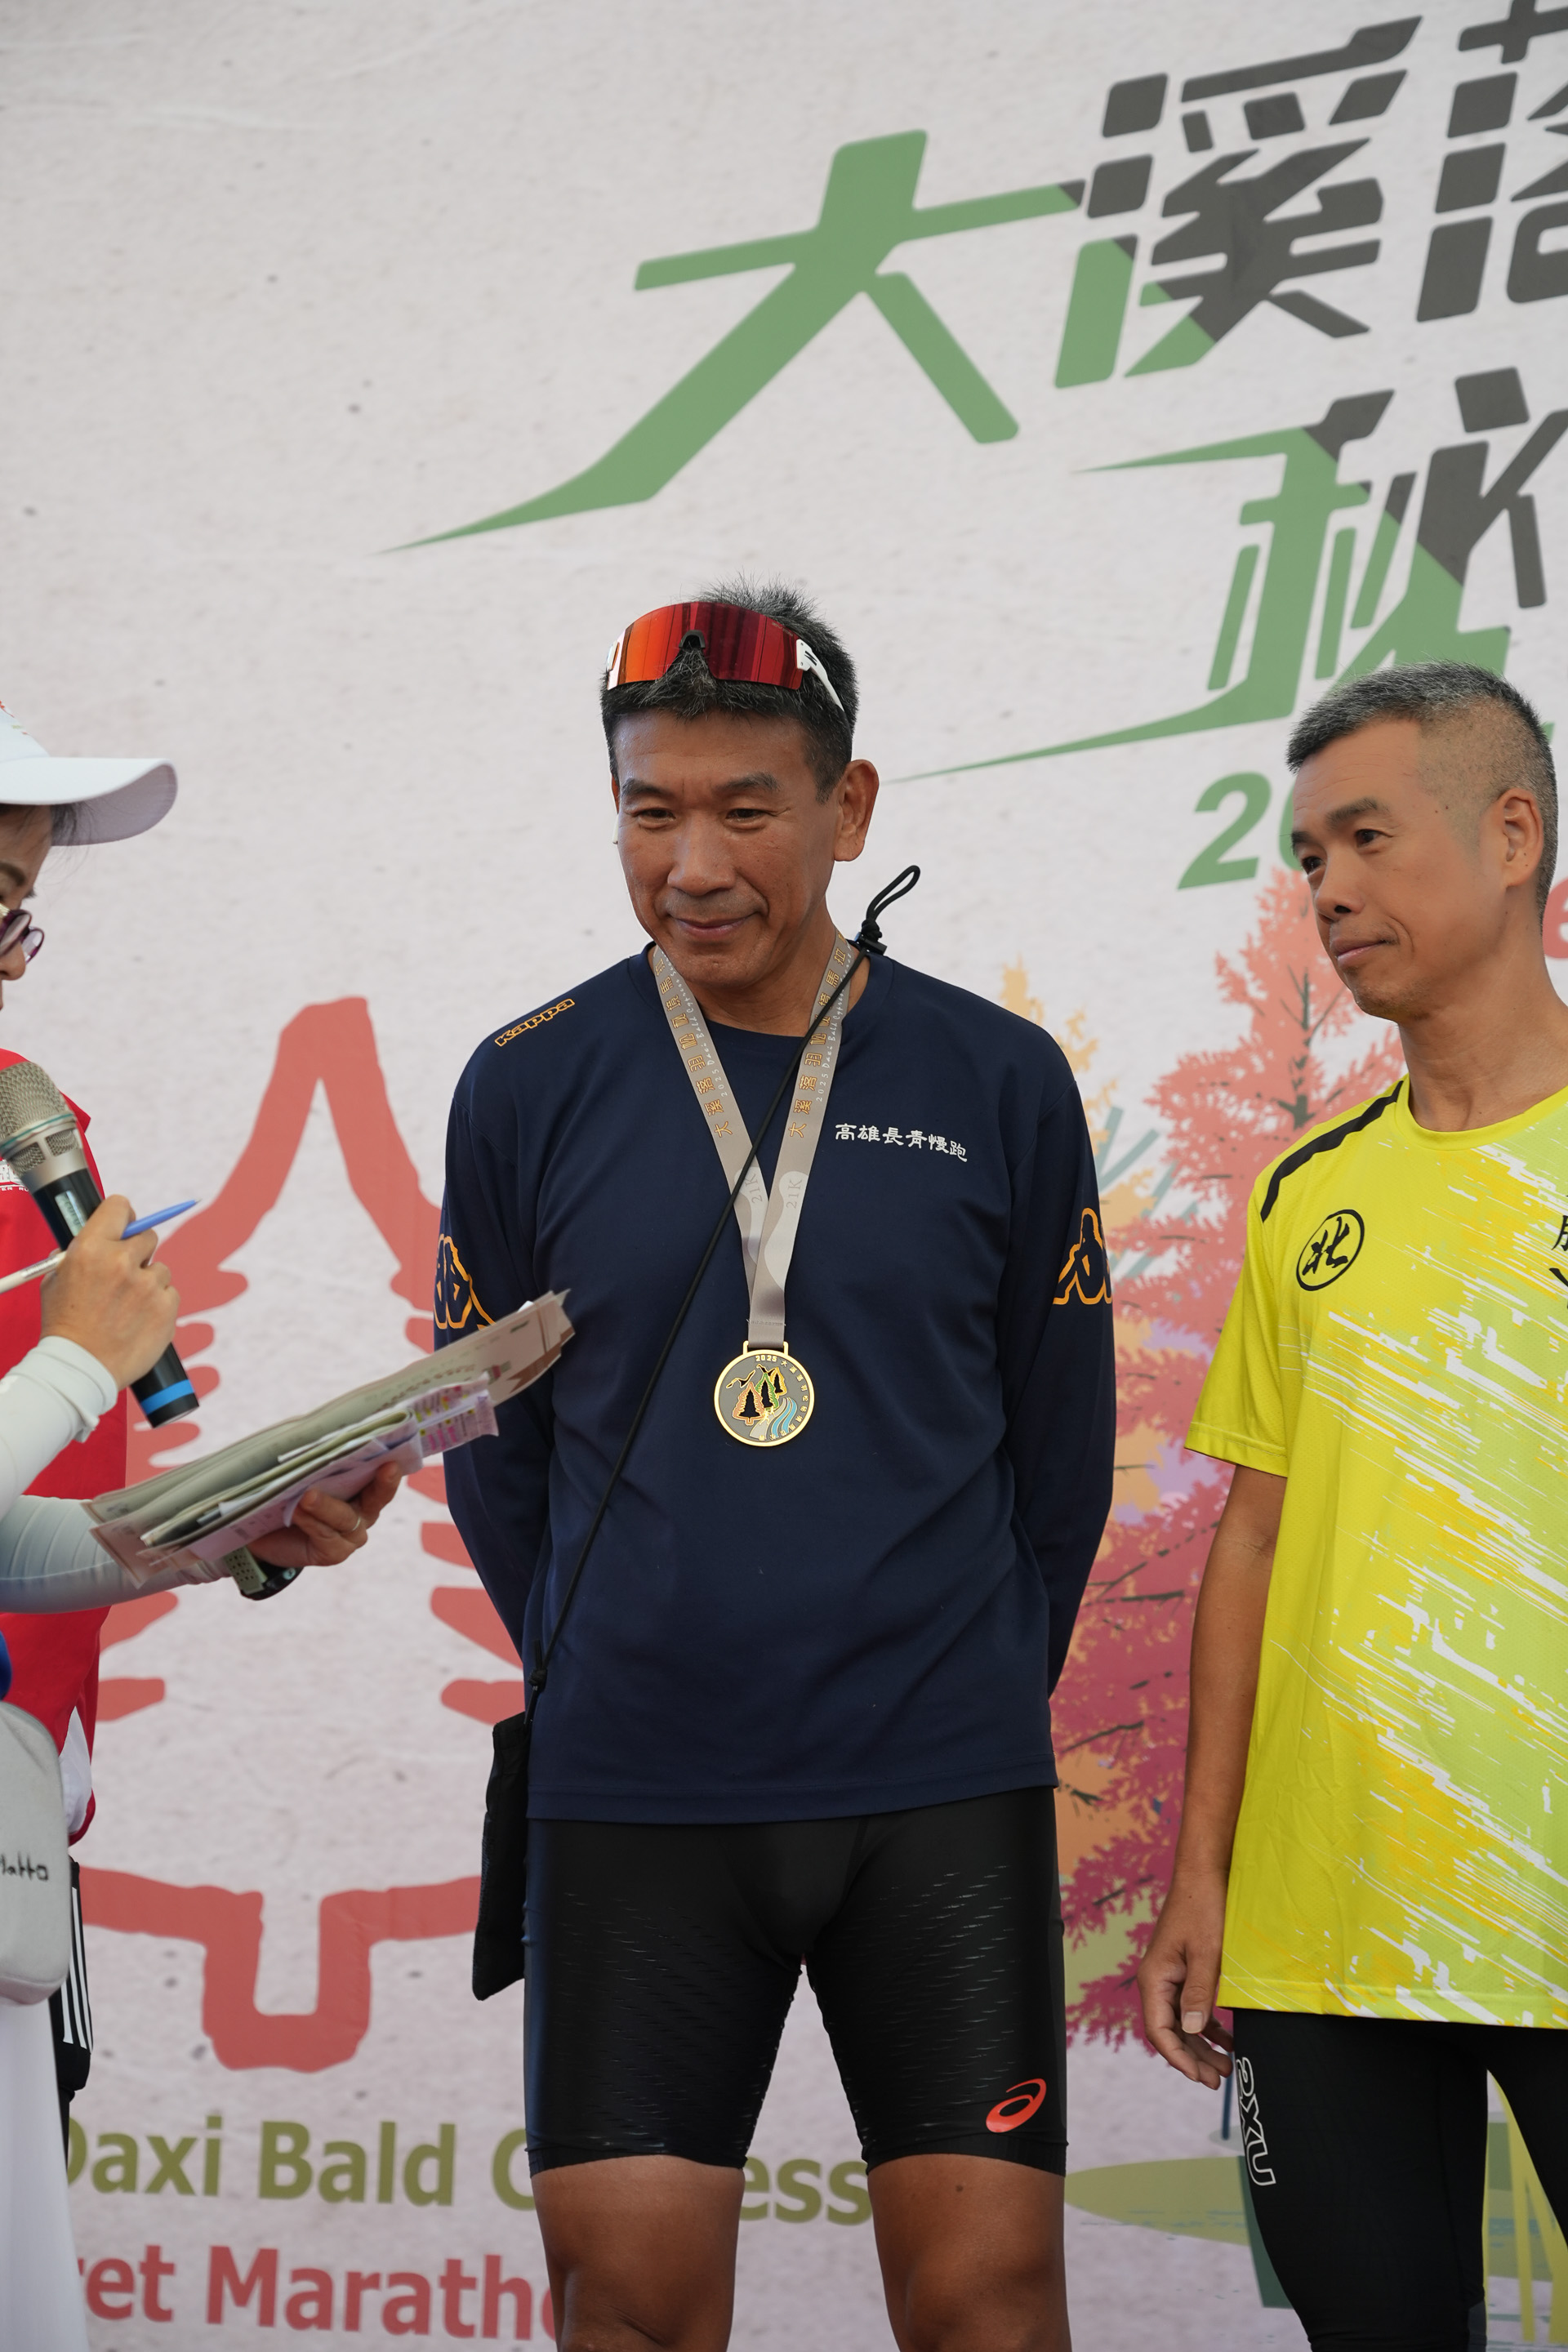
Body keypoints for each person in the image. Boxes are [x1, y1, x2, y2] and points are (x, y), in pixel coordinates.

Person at [439, 584, 1116, 2352]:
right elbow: (494, 1447)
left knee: (989, 2305)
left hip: (939, 1789)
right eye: (650, 810)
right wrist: (604, 1653)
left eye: (746, 808)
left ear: (848, 807)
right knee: (628, 2307)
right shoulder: (527, 1083)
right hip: (638, 1784)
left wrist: (968, 1677)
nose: (693, 864)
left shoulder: (998, 1078)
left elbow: (1061, 1448)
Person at [1137, 661, 1568, 2351]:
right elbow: (1252, 1540)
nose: (1327, 890)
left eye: (1369, 839)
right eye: (1311, 854)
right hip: (1325, 1933)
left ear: (1512, 836)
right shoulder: (1303, 1195)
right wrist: (1205, 1873)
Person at [0, 698, 399, 2352]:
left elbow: (7, 1536)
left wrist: (225, 1532)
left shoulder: (27, 1123)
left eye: (22, 912)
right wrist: (79, 1359)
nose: (14, 965)